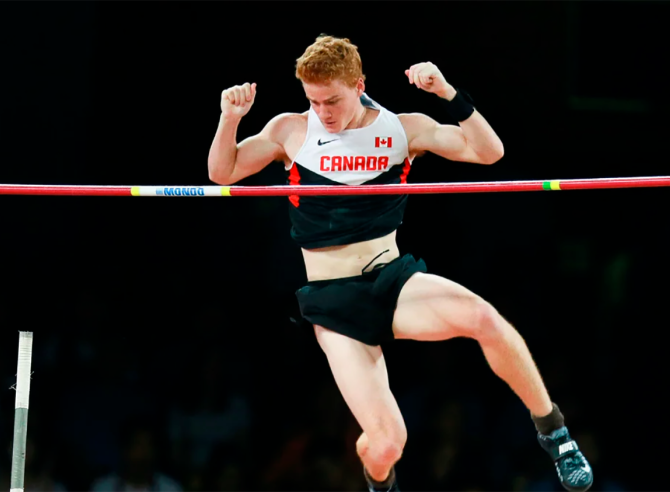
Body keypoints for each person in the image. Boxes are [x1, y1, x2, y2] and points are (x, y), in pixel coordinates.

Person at [207, 34, 593, 492]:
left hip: (392, 281)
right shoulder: (291, 129)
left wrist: (448, 94)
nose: (324, 112)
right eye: (314, 100)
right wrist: (229, 120)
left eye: (332, 100)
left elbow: (490, 153)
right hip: (333, 305)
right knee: (388, 443)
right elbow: (223, 172)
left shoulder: (400, 128)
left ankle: (556, 435)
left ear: (358, 84)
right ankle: (380, 484)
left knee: (484, 317)